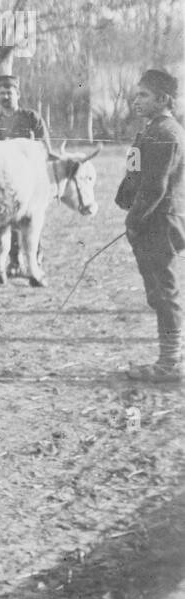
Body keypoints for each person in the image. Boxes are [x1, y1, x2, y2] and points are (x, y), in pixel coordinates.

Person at [116, 68, 184, 383]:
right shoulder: (149, 130)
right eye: (137, 93)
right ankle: (170, 359)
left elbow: (155, 187)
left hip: (160, 220)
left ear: (163, 99)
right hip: (151, 219)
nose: (136, 99)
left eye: (143, 95)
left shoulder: (167, 132)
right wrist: (124, 196)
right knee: (157, 291)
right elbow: (134, 167)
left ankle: (170, 364)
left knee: (164, 291)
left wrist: (133, 220)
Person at [0, 72, 53, 277]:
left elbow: (45, 148)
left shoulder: (31, 118)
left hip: (30, 179)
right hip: (4, 180)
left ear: (18, 94)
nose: (6, 97)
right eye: (2, 93)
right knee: (5, 221)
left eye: (9, 92)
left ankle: (34, 258)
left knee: (30, 219)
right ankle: (12, 262)